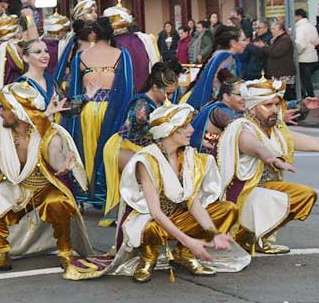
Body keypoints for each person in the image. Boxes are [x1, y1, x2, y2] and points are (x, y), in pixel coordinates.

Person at [64, 102, 246, 283]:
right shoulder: (147, 160)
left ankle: (184, 253)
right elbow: (156, 212)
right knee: (149, 228)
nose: (192, 129)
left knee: (227, 209)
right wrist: (189, 239)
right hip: (152, 220)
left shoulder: (190, 157)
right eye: (184, 126)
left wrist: (214, 233)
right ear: (168, 131)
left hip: (179, 215)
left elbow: (194, 203)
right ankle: (148, 256)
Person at [0, 81, 91, 273]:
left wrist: (62, 165)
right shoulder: (0, 129)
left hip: (43, 188)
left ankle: (66, 252)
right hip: (16, 186)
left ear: (18, 111)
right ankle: (1, 255)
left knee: (58, 202)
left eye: (4, 108)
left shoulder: (48, 133)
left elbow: (56, 153)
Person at [217, 77, 319, 253]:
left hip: (262, 189)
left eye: (276, 105)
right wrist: (269, 157)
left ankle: (256, 237)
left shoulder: (278, 131)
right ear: (253, 107)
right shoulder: (241, 127)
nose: (275, 110)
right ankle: (241, 234)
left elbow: (316, 143)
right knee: (274, 198)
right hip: (240, 194)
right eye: (268, 105)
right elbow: (254, 145)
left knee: (304, 195)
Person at [62, 17, 135, 210]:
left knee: (87, 151)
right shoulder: (122, 55)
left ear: (93, 34)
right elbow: (128, 89)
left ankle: (86, 193)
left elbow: (72, 90)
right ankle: (107, 196)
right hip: (112, 111)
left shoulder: (81, 57)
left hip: (87, 111)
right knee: (109, 153)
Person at [101, 60, 181, 226]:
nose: (171, 98)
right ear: (155, 87)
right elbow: (144, 131)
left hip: (144, 149)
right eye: (168, 93)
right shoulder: (141, 105)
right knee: (148, 173)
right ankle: (139, 213)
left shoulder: (159, 103)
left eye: (172, 93)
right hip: (123, 146)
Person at [184, 26, 245, 110]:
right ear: (233, 43)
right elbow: (222, 85)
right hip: (219, 106)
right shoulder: (227, 59)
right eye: (243, 40)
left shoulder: (218, 55)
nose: (246, 43)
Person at [190, 76, 245, 153]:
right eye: (239, 94)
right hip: (204, 161)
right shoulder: (220, 111)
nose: (245, 98)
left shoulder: (214, 104)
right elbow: (243, 129)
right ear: (226, 96)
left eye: (246, 94)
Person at [54, 0, 100, 87]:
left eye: (95, 11)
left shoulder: (99, 36)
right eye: (90, 12)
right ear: (80, 16)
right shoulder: (70, 39)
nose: (95, 15)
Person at [254, 20, 296, 101]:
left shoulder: (285, 39)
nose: (271, 31)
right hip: (279, 72)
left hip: (283, 72)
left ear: (281, 30)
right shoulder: (278, 39)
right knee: (280, 94)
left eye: (273, 29)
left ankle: (293, 109)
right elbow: (273, 50)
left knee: (286, 94)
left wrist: (263, 46)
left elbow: (275, 52)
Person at [293, 8, 319, 98]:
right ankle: (311, 96)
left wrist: (296, 54)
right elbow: (317, 40)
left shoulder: (300, 28)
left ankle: (309, 97)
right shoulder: (311, 26)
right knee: (307, 80)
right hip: (313, 57)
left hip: (304, 58)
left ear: (299, 16)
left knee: (304, 80)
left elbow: (300, 44)